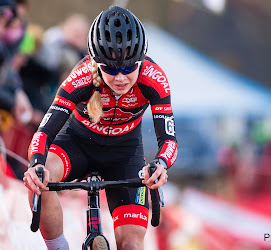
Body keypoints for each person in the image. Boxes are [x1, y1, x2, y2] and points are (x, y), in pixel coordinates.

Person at [23, 6, 178, 250]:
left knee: (131, 244)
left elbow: (169, 140)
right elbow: (43, 133)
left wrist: (160, 165)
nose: (120, 78)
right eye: (110, 69)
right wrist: (35, 165)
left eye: (129, 68)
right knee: (41, 179)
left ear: (142, 61)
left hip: (125, 154)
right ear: (97, 63)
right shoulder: (81, 76)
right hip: (76, 144)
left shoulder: (154, 78)